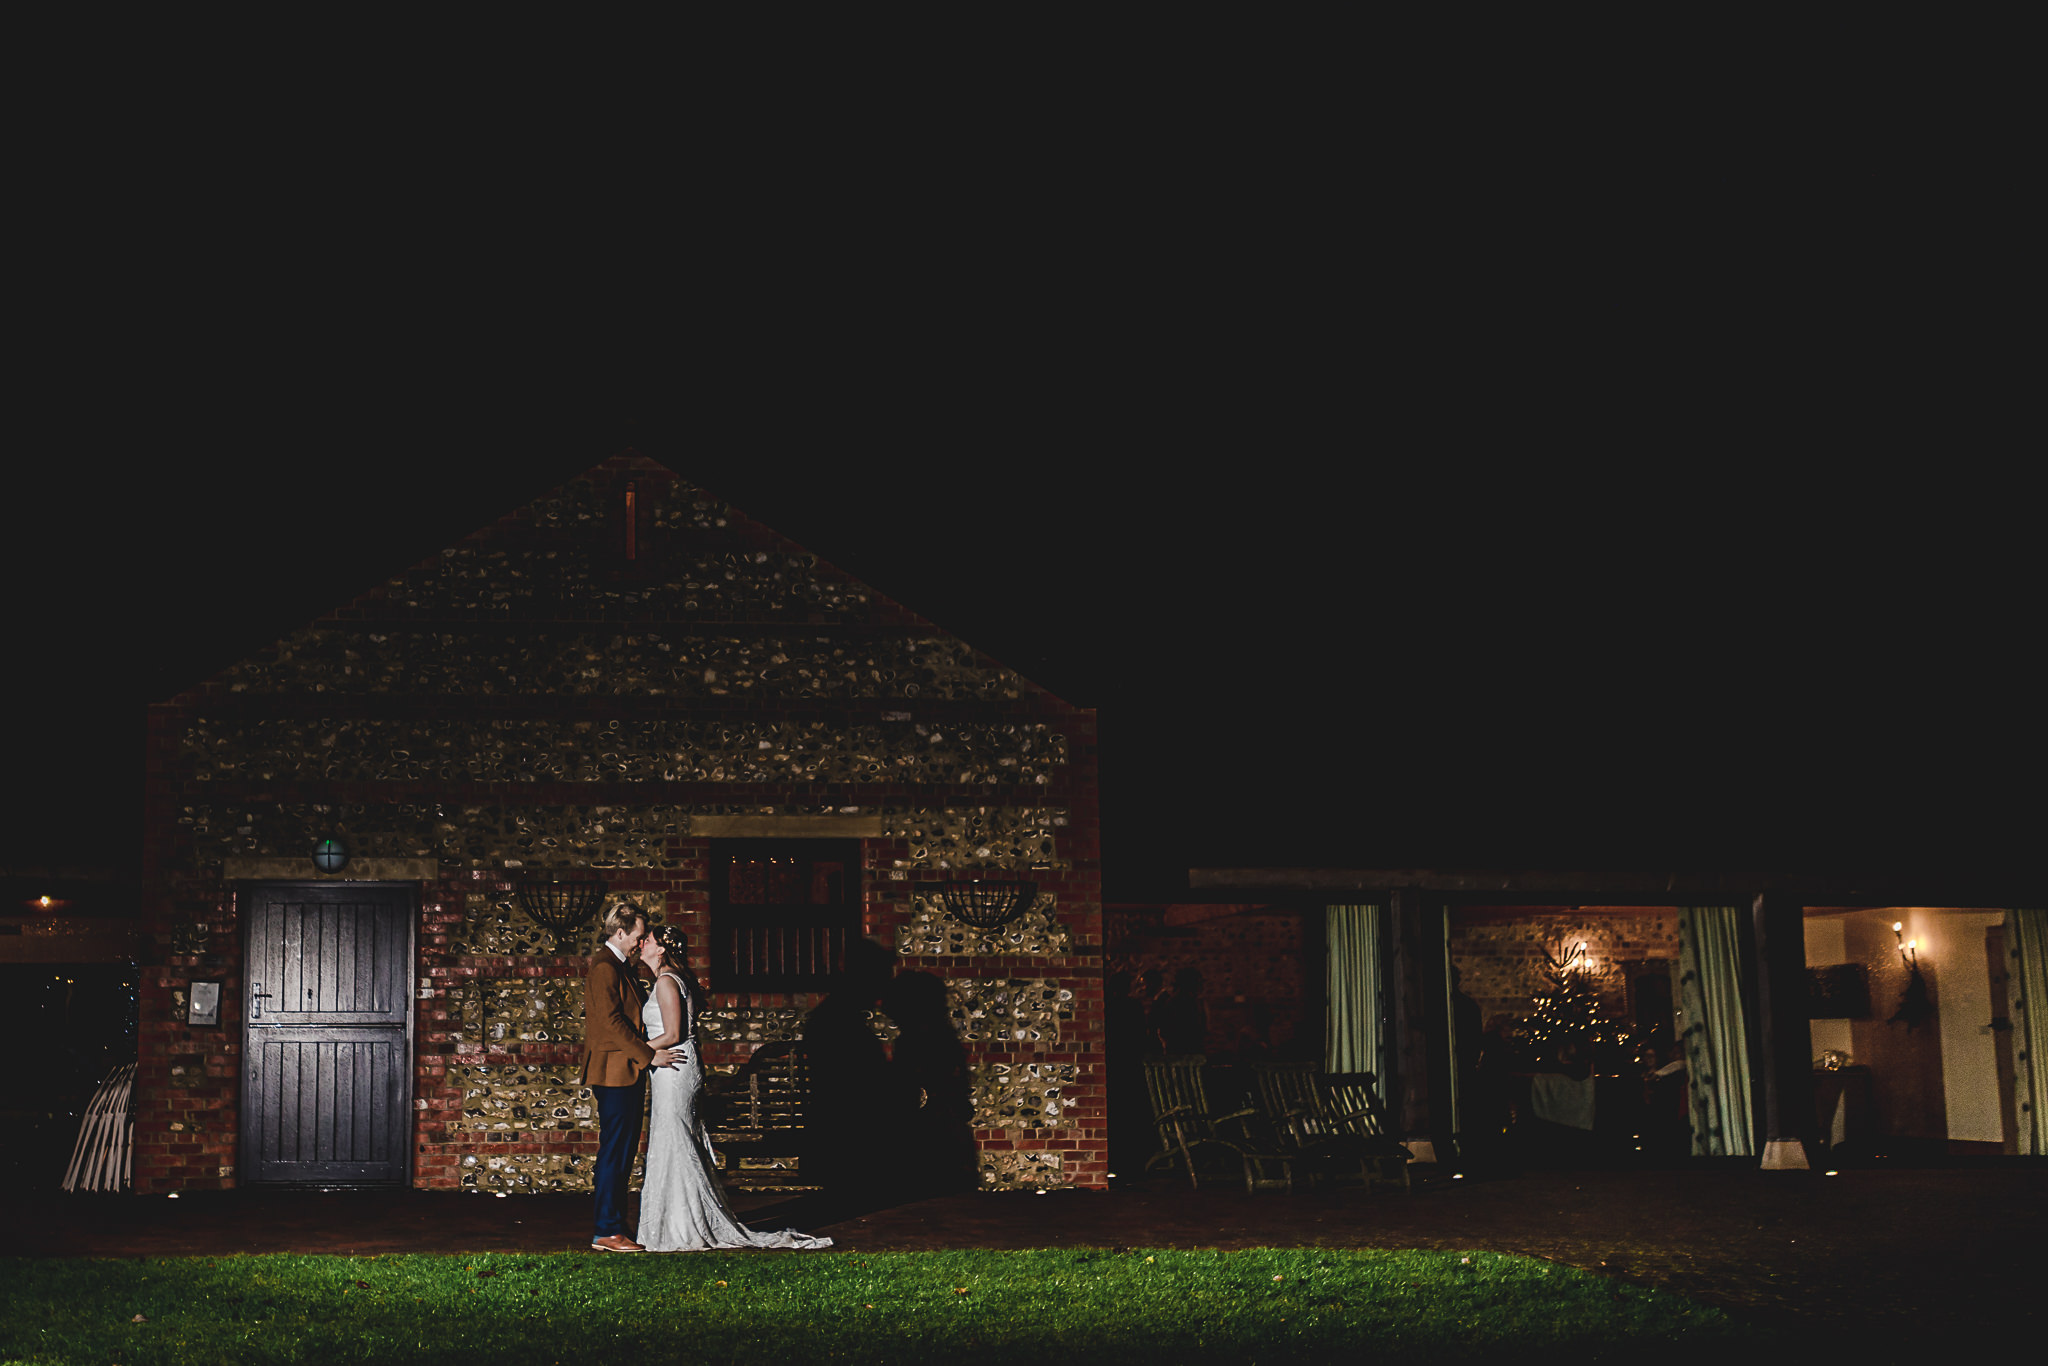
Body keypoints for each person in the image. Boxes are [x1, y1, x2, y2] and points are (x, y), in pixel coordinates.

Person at [634, 926, 832, 1252]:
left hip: (674, 1067)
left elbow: (673, 1033)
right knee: (675, 1140)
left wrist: (636, 1049)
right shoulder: (670, 979)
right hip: (672, 1069)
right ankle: (675, 1220)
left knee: (677, 1140)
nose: (643, 945)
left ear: (662, 950)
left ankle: (684, 1224)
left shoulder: (667, 982)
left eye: (650, 941)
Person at [581, 901, 674, 1254]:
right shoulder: (606, 967)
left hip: (624, 1069)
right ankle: (607, 1230)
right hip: (615, 1071)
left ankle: (614, 1225)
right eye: (637, 936)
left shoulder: (620, 966)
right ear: (619, 933)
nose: (640, 942)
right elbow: (612, 1023)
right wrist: (650, 1055)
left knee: (621, 1152)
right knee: (615, 1152)